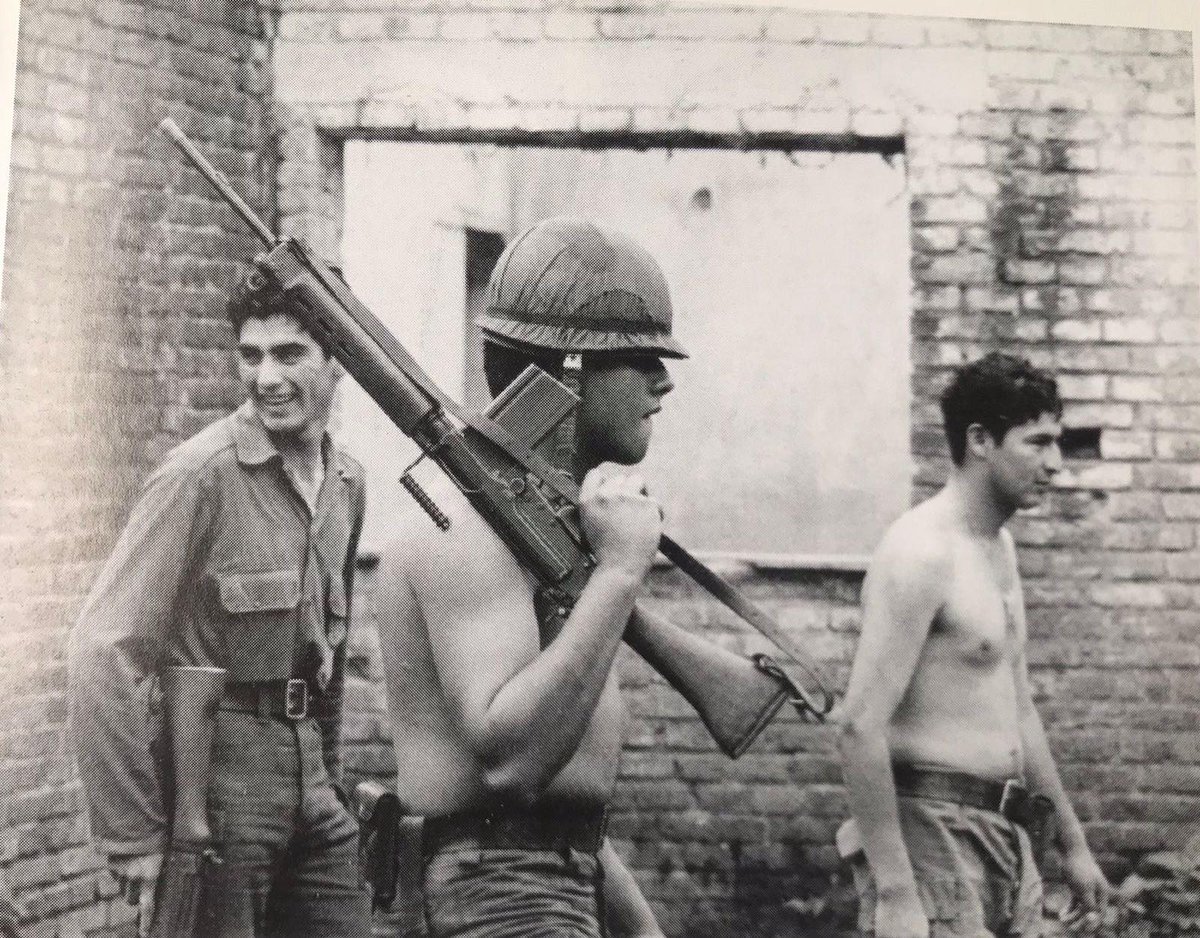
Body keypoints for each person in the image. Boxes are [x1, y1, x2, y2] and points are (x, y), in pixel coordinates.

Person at [372, 216, 696, 938]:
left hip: (543, 885)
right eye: (639, 358)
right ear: (569, 371)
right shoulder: (465, 532)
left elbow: (554, 805)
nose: (662, 381)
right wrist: (616, 577)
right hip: (496, 902)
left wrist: (634, 921)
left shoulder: (539, 534)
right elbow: (512, 767)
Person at [69, 270, 371, 937]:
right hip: (220, 782)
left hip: (314, 782)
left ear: (338, 361)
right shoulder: (198, 476)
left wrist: (327, 777)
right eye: (251, 355)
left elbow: (329, 657)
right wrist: (135, 837)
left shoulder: (347, 482)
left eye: (289, 354)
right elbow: (101, 652)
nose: (266, 377)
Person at [837, 352, 1110, 938]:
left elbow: (1021, 711)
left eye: (1056, 442)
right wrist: (896, 894)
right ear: (980, 440)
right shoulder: (921, 552)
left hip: (1006, 837)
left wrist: (1074, 847)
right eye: (1037, 443)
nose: (1055, 464)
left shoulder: (998, 549)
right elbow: (858, 726)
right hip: (932, 839)